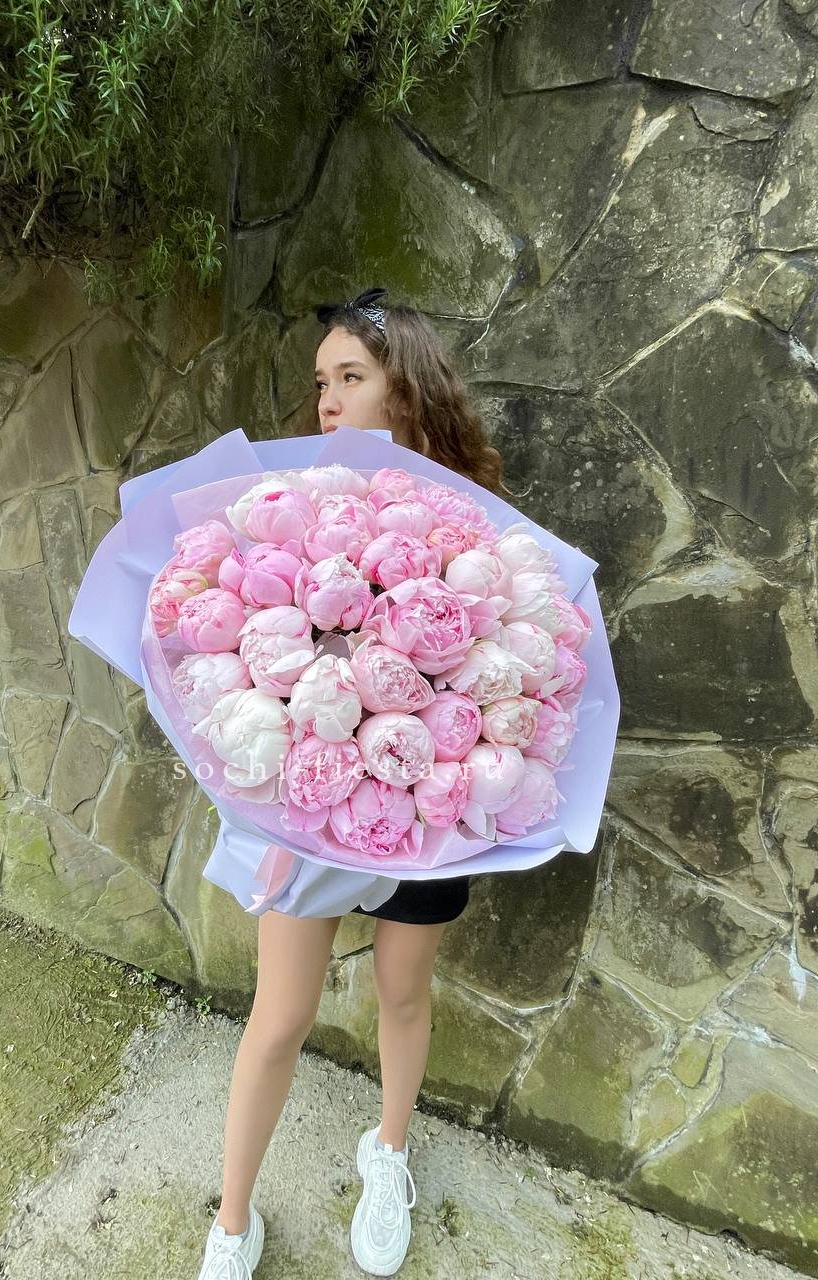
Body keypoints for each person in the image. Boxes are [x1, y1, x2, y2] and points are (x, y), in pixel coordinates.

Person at [196, 287, 510, 1279]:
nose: (327, 399)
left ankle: (388, 1151)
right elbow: (247, 655)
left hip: (426, 801)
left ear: (404, 392)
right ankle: (232, 1221)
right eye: (321, 380)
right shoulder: (294, 505)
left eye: (350, 377)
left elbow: (507, 668)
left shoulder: (473, 522)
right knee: (281, 1014)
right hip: (316, 800)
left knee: (403, 991)